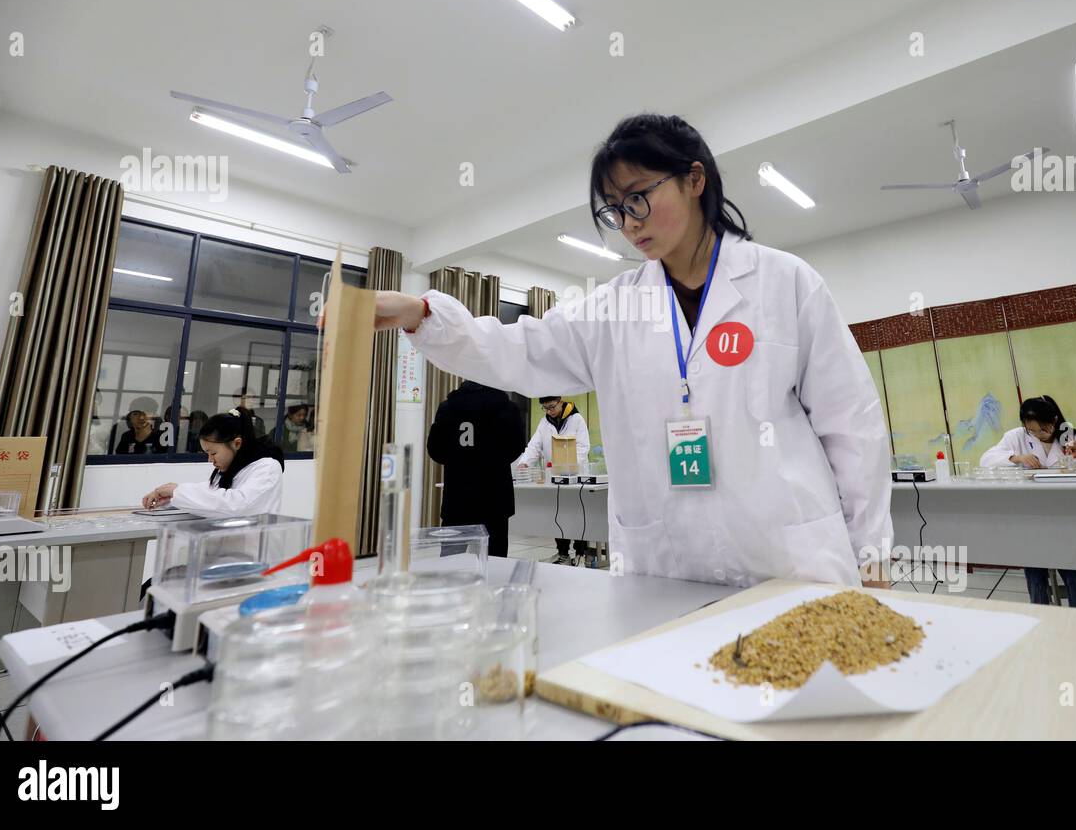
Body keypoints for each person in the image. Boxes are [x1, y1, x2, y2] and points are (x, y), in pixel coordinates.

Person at [373, 113, 892, 588]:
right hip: (666, 568)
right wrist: (421, 314)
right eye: (615, 210)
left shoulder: (785, 283)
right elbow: (519, 349)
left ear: (695, 179)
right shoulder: (613, 308)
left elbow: (852, 427)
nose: (629, 222)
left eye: (638, 197)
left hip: (789, 562)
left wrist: (872, 555)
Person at [980, 394, 1076, 608]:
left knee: (1067, 558)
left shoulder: (1070, 438)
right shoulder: (1016, 438)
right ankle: (1040, 608)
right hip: (1031, 516)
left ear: (1054, 421)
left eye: (1042, 429)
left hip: (1066, 517)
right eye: (1031, 430)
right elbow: (986, 459)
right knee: (1033, 559)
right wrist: (1016, 458)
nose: (1036, 435)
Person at [426, 380, 527, 558]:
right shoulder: (508, 408)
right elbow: (517, 446)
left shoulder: (448, 407)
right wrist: (495, 460)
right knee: (495, 556)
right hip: (495, 494)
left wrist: (458, 460)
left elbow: (435, 450)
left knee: (451, 557)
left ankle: (453, 585)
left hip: (458, 494)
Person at [141, 409, 285, 518]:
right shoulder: (231, 468)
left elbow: (238, 506)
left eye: (213, 453)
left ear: (237, 443)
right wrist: (170, 498)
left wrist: (178, 492)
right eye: (207, 454)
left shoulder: (267, 467)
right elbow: (210, 493)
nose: (210, 460)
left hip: (254, 551)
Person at [516, 395, 592, 564]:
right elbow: (534, 445)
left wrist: (566, 465)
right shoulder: (545, 423)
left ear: (561, 401)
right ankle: (563, 553)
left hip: (575, 477)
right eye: (545, 408)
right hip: (555, 478)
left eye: (551, 407)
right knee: (559, 514)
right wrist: (524, 463)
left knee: (578, 514)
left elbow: (583, 447)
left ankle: (580, 552)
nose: (549, 411)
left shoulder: (576, 419)